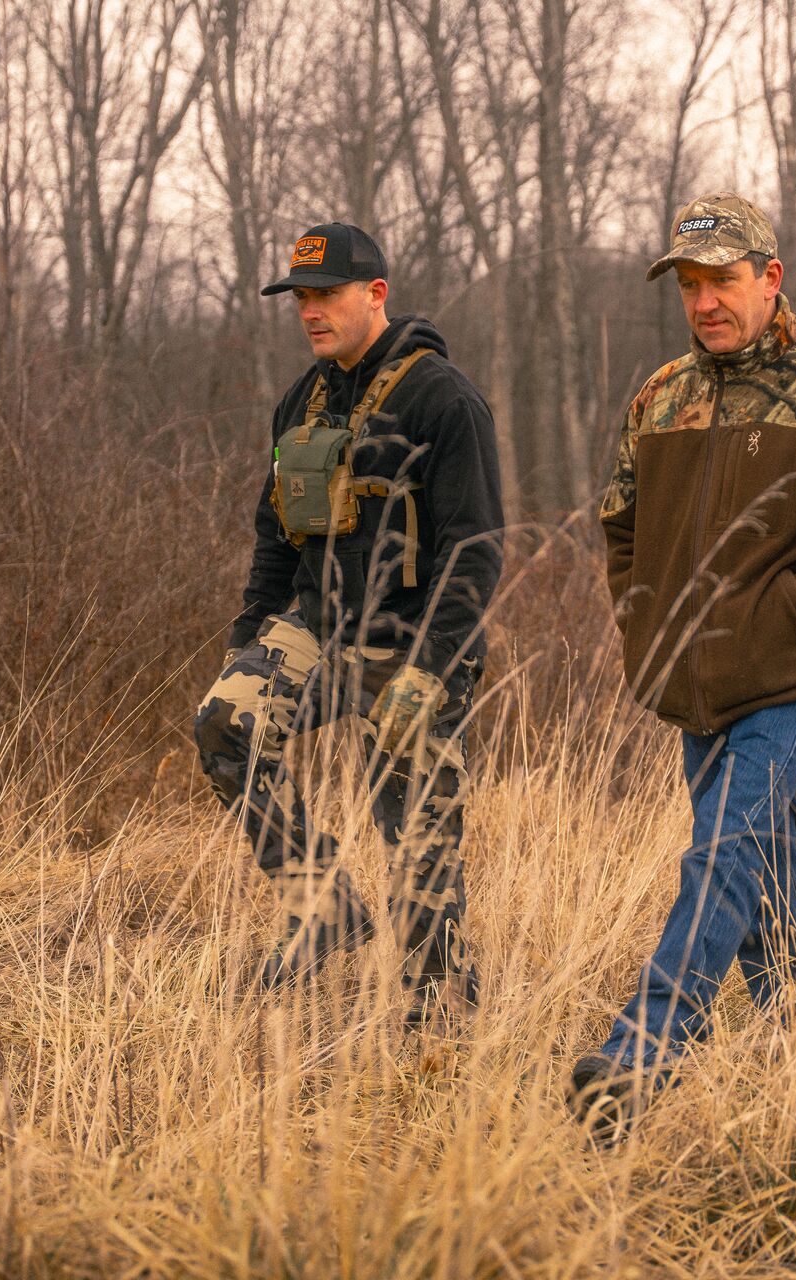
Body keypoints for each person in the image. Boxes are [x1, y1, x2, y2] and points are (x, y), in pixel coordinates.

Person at [569, 192, 796, 1137]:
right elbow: (620, 525)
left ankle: (642, 1055)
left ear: (771, 279)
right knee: (763, 865)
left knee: (725, 847)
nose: (705, 302)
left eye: (724, 281)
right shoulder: (662, 397)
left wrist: (794, 611)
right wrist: (643, 617)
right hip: (693, 679)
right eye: (690, 285)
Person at [194, 222, 504, 1028]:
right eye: (300, 298)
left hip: (415, 641)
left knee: (414, 831)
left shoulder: (443, 397)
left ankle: (440, 998)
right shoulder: (303, 399)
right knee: (227, 726)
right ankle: (324, 907)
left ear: (376, 294)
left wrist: (431, 668)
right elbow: (274, 534)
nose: (310, 312)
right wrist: (247, 640)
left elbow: (475, 551)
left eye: (326, 295)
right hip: (318, 628)